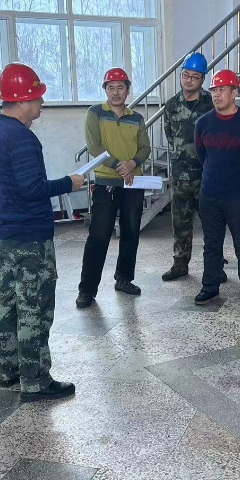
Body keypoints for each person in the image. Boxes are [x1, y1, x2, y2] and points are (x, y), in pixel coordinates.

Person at [0, 63, 83, 399]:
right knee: (34, 310)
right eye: (38, 97)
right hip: (29, 239)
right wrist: (69, 183)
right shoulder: (22, 138)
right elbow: (31, 189)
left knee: (8, 304)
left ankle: (9, 371)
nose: (41, 104)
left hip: (3, 235)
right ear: (23, 100)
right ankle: (36, 381)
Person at [76, 68, 150, 309]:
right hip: (106, 183)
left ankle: (124, 279)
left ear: (127, 91)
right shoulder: (95, 113)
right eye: (111, 87)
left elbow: (145, 148)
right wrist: (120, 166)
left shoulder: (136, 118)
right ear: (105, 90)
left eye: (120, 87)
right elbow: (94, 146)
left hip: (133, 183)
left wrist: (133, 164)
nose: (115, 92)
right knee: (99, 236)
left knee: (131, 232)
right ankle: (87, 290)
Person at [194, 69, 240, 310]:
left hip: (239, 196)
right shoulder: (203, 123)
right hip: (210, 195)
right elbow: (202, 156)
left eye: (222, 89)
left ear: (234, 93)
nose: (216, 94)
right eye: (214, 90)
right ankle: (210, 287)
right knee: (211, 245)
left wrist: (239, 176)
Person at [161, 52, 215, 281]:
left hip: (207, 175)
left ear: (202, 79)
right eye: (185, 75)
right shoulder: (171, 105)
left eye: (194, 76)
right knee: (180, 222)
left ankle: (215, 266)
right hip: (180, 175)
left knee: (212, 223)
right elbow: (170, 135)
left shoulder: (211, 103)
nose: (189, 80)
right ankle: (180, 264)